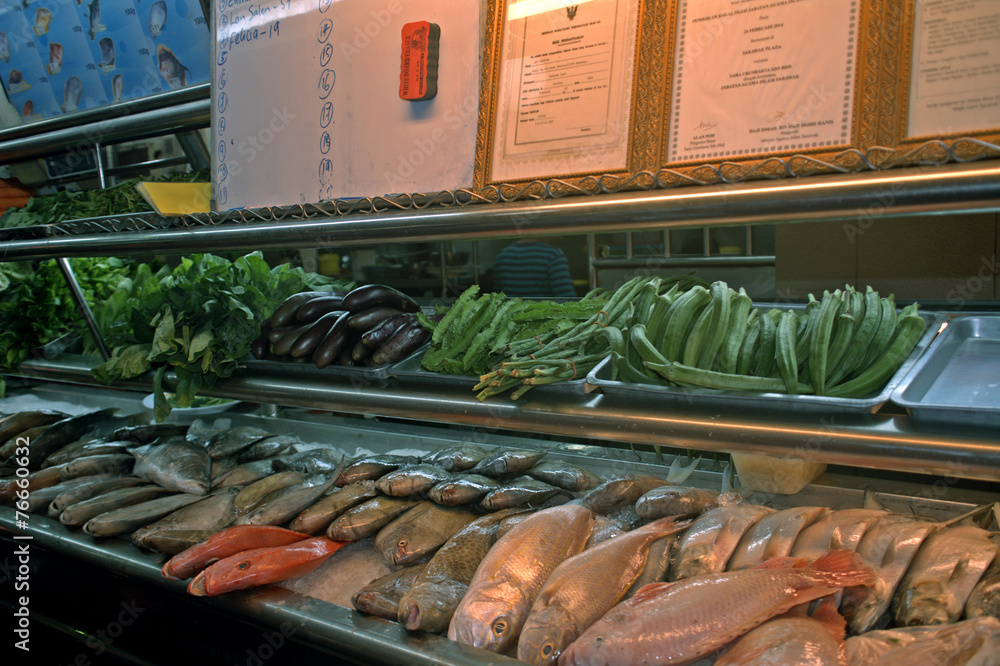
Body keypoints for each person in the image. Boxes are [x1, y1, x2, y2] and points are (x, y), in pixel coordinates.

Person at [493, 238, 576, 298]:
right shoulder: (553, 255)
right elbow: (567, 299)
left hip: (510, 319)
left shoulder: (502, 255)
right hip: (544, 320)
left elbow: (498, 298)